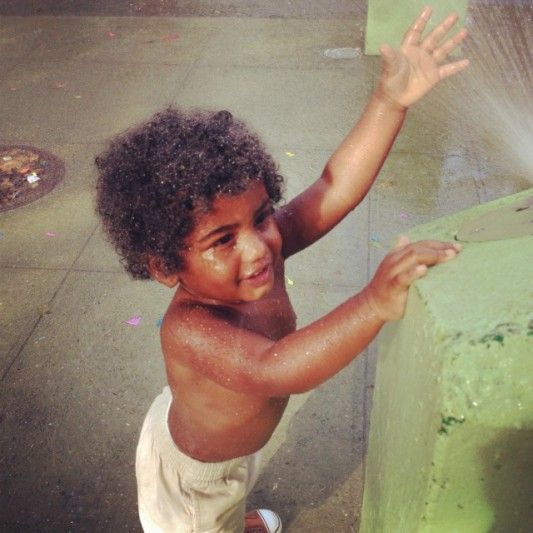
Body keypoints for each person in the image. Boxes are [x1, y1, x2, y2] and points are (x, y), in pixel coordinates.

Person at [95, 7, 468, 532]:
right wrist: (374, 302)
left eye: (262, 216)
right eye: (222, 240)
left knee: (233, 485)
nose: (259, 247)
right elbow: (274, 368)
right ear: (163, 265)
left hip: (225, 443)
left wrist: (389, 101)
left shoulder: (258, 253)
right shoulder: (192, 329)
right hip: (193, 480)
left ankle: (234, 515)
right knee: (209, 518)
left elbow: (331, 189)